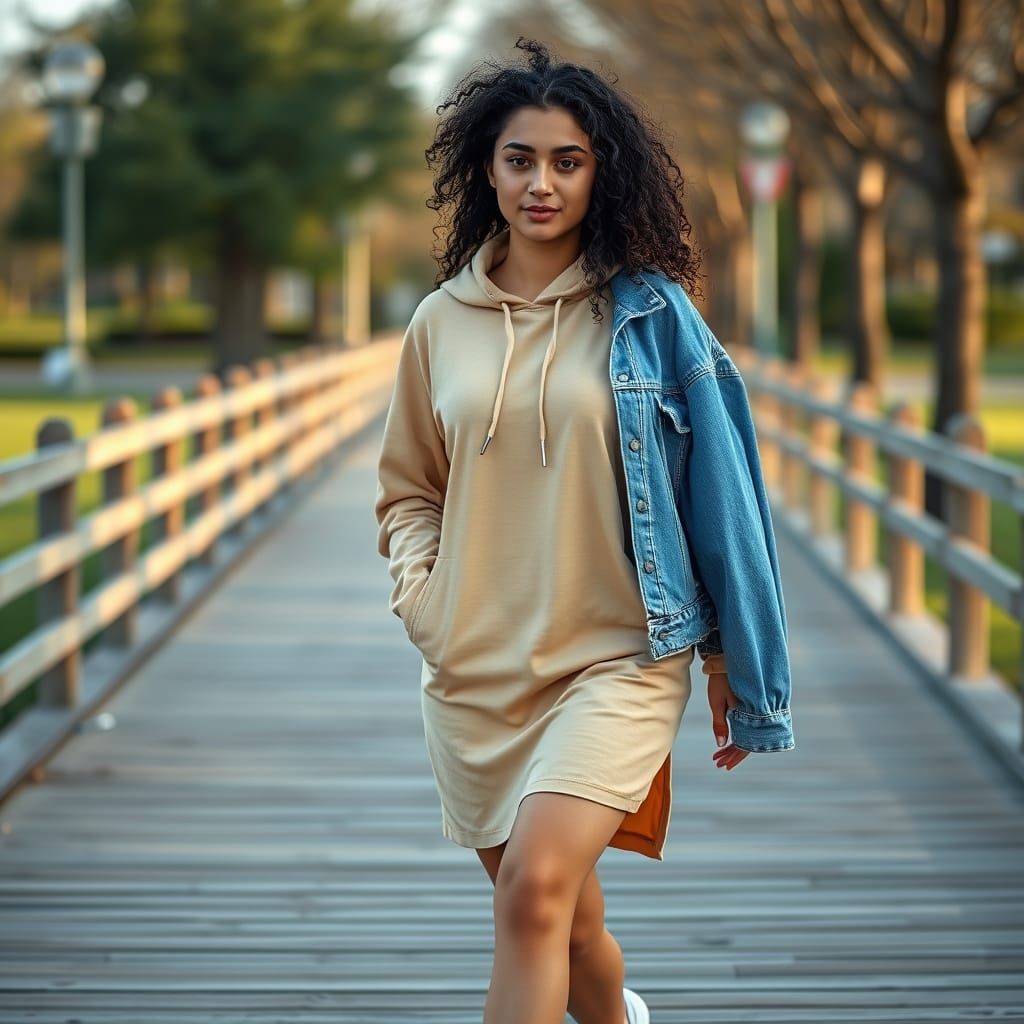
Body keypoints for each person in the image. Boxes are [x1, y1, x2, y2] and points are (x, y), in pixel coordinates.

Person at [374, 37, 794, 1024]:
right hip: (474, 668)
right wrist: (423, 594)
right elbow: (407, 490)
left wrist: (731, 656)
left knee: (531, 896)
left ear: (601, 173)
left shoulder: (652, 317)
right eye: (520, 159)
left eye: (568, 161)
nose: (542, 183)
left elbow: (721, 493)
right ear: (487, 169)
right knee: (560, 917)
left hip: (618, 659)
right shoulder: (439, 323)